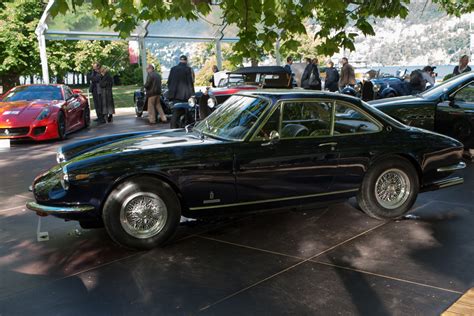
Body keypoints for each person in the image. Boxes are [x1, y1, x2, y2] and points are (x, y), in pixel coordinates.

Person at [167, 55, 195, 128]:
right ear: (186, 61)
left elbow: (169, 82)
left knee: (176, 111)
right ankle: (190, 125)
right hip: (184, 95)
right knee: (187, 111)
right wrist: (192, 94)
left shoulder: (173, 69)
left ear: (180, 60)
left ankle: (173, 126)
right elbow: (190, 82)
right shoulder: (188, 69)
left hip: (174, 95)